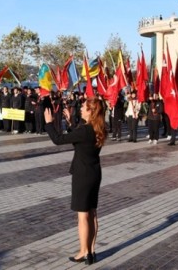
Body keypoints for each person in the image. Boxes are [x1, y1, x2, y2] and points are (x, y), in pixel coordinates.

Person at [44, 97, 107, 265]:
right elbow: (81, 141)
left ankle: (83, 252)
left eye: (84, 107)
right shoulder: (99, 127)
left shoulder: (85, 130)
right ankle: (91, 251)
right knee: (92, 213)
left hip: (82, 175)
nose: (81, 109)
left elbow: (58, 139)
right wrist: (71, 122)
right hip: (94, 173)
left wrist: (49, 123)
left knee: (82, 216)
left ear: (91, 111)